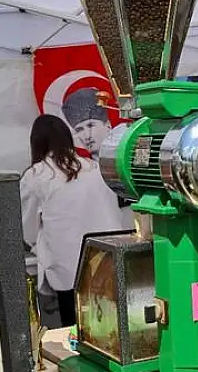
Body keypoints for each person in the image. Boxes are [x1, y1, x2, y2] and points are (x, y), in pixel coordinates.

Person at [21, 114, 124, 328]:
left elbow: (27, 228)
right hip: (108, 259)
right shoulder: (95, 168)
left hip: (69, 269)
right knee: (113, 326)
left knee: (77, 329)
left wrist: (34, 244)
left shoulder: (36, 176)